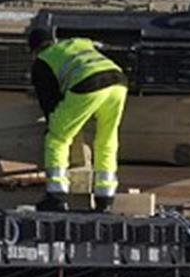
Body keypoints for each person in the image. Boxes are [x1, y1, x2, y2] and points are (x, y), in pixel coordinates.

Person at [28, 27, 128, 212]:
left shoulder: (43, 61)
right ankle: (105, 198)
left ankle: (56, 196)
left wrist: (55, 124)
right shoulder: (76, 43)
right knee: (107, 140)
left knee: (57, 138)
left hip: (88, 83)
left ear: (33, 50)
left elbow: (49, 103)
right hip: (118, 81)